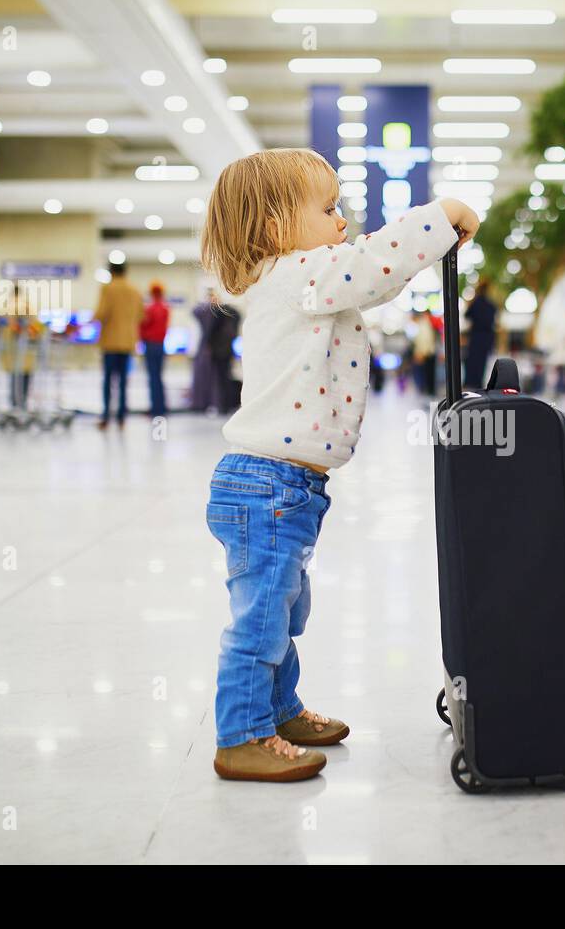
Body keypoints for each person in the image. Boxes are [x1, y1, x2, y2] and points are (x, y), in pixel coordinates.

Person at [198, 146, 478, 782]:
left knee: (285, 609)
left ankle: (278, 709)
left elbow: (369, 273)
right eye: (328, 209)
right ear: (276, 228)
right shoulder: (300, 273)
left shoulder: (299, 278)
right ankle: (239, 735)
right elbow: (373, 265)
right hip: (267, 486)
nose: (342, 220)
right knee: (264, 615)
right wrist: (442, 216)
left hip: (284, 486)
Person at [92, 261, 142, 429]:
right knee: (122, 382)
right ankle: (122, 418)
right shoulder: (134, 290)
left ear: (111, 272)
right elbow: (141, 315)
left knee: (108, 380)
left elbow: (101, 313)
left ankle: (106, 417)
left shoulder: (108, 288)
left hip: (110, 342)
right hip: (128, 342)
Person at [140, 282, 169, 418]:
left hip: (151, 345)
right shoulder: (165, 308)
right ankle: (161, 407)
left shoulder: (149, 309)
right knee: (159, 377)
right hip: (161, 345)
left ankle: (155, 409)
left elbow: (143, 326)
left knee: (153, 378)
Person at [462, 278, 497, 388]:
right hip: (486, 338)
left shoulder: (475, 303)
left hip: (475, 337)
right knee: (482, 364)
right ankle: (478, 385)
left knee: (472, 362)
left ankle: (470, 383)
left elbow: (467, 316)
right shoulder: (491, 305)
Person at [209, 298, 241, 412]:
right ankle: (229, 404)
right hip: (228, 350)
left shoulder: (219, 313)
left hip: (219, 351)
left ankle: (223, 406)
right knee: (227, 377)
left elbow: (211, 332)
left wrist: (211, 346)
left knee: (221, 379)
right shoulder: (235, 314)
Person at [190, 291, 219, 412]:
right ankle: (204, 403)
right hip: (207, 348)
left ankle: (203, 403)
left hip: (207, 349)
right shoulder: (209, 311)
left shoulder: (208, 312)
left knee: (209, 378)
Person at [411, 310, 438, 396]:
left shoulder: (424, 324)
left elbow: (424, 340)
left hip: (427, 353)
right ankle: (429, 391)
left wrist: (421, 353)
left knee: (427, 374)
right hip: (429, 352)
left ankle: (429, 392)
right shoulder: (427, 323)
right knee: (429, 374)